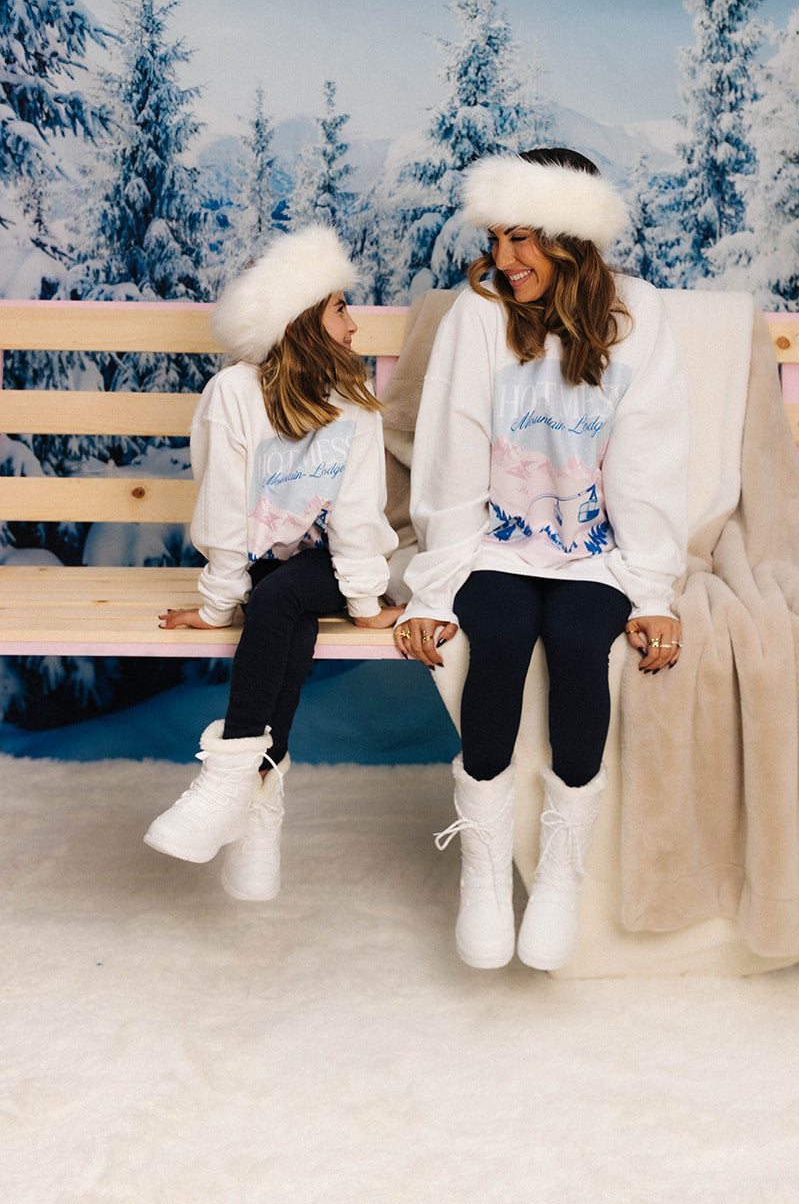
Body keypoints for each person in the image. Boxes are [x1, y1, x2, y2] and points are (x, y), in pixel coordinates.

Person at [394, 148, 688, 970]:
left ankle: (560, 871)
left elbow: (649, 458)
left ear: (571, 238)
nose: (503, 257)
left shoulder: (637, 314)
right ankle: (485, 872)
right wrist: (434, 588)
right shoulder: (477, 314)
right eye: (494, 238)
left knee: (576, 643)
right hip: (495, 541)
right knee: (495, 638)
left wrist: (651, 588)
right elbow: (451, 453)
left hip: (595, 552)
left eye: (522, 238)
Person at [145, 224, 400, 900]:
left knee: (283, 597)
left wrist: (366, 603)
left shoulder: (353, 405)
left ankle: (223, 781)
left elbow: (356, 517)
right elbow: (224, 512)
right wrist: (215, 605)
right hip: (269, 572)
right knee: (280, 605)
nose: (354, 324)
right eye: (339, 308)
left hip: (330, 566)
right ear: (298, 321)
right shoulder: (232, 395)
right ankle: (258, 797)